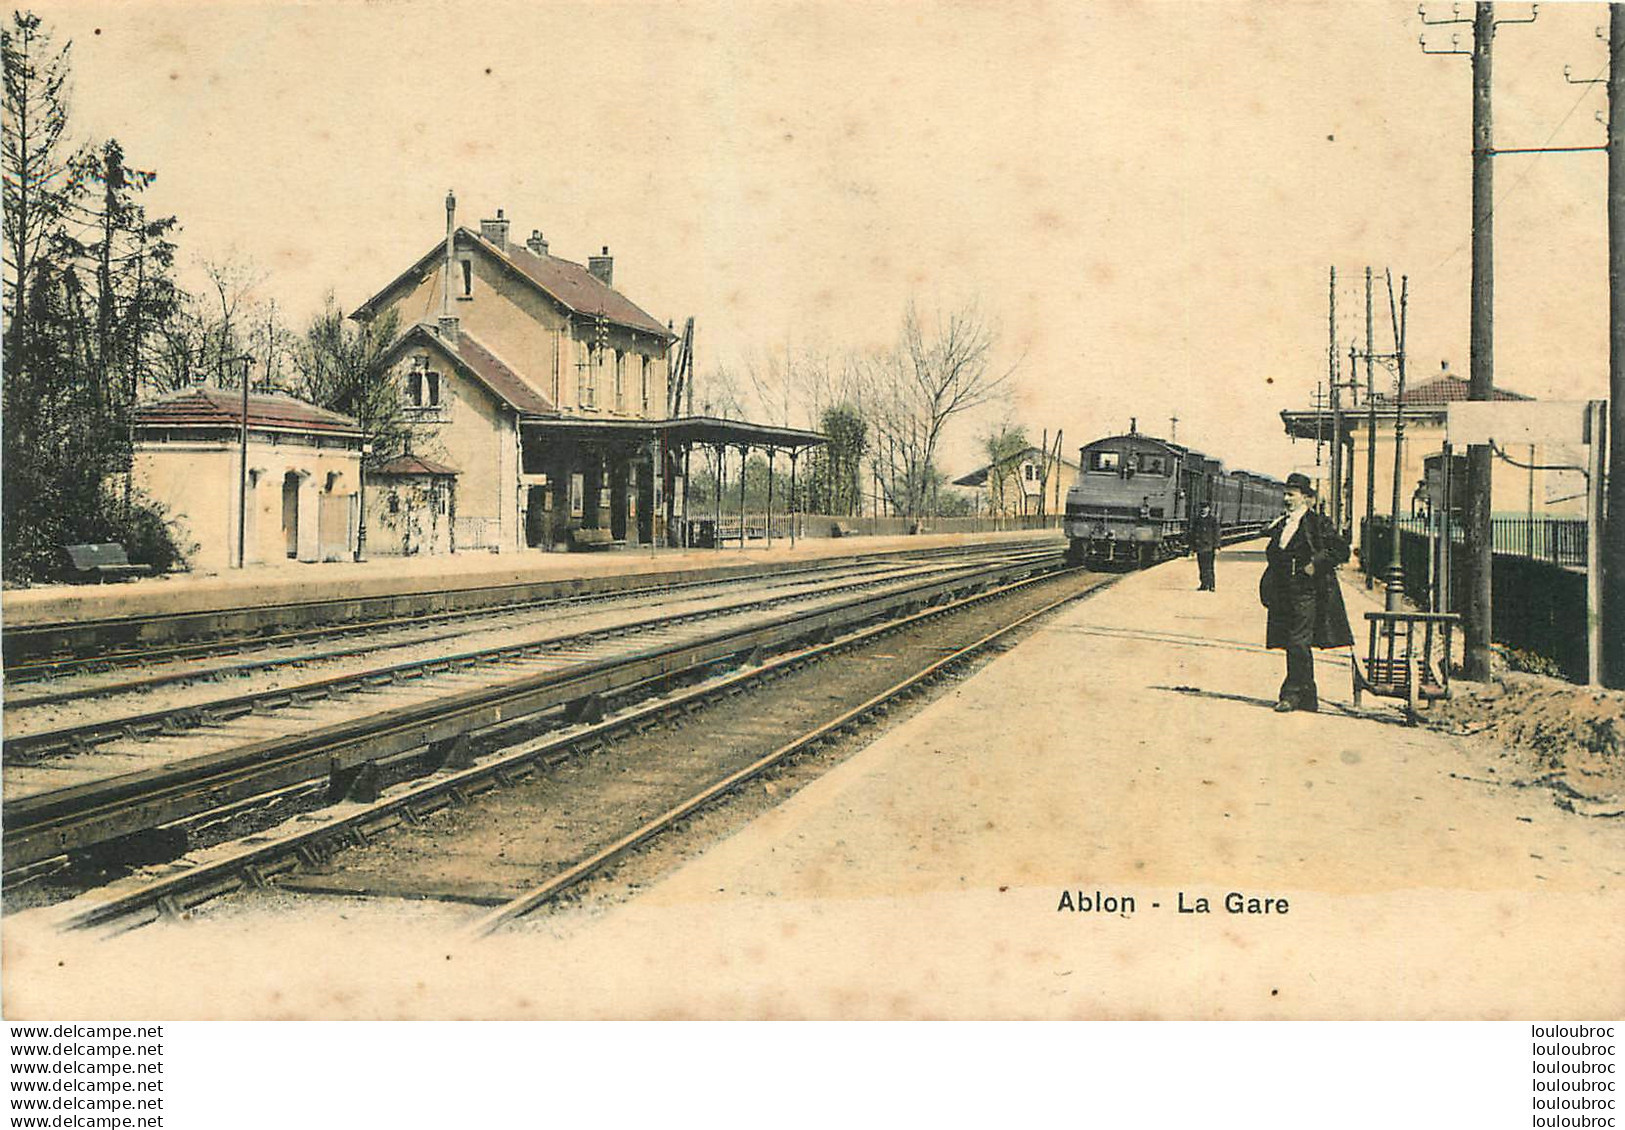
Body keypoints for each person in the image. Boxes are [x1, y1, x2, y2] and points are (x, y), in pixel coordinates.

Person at [1259, 473, 1353, 712]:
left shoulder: (1317, 523)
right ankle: (1308, 697)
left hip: (1307, 591)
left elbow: (1340, 550)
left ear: (1306, 498)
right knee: (1291, 642)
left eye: (1291, 494)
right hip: (1283, 591)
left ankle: (1290, 694)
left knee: (1297, 641)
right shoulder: (1283, 523)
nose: (1286, 498)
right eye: (1285, 493)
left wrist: (1314, 566)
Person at [1191, 502, 1220, 591]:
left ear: (1209, 509)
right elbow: (1193, 534)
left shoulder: (1212, 520)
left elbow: (1217, 534)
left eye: (1205, 508)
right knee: (1202, 567)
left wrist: (1216, 546)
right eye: (1202, 507)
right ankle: (1203, 584)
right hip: (1200, 547)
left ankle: (1211, 585)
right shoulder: (1197, 520)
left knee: (1209, 567)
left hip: (1209, 546)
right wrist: (1192, 548)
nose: (1203, 509)